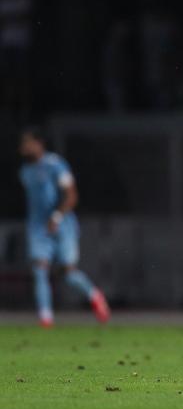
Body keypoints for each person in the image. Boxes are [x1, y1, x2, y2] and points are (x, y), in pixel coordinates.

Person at [19, 128, 110, 327]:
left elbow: (71, 195)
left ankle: (94, 295)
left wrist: (57, 216)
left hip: (63, 224)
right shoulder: (25, 171)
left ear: (39, 143)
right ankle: (45, 318)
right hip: (38, 226)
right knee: (40, 269)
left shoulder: (55, 165)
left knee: (68, 273)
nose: (23, 147)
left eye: (27, 142)